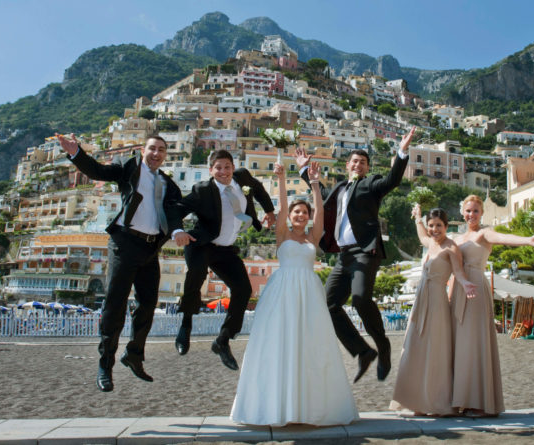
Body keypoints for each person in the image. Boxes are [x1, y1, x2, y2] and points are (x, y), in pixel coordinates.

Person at [231, 161, 358, 426]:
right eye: (296, 212)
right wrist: (280, 178)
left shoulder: (313, 238)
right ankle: (279, 406)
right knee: (280, 342)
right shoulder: (282, 234)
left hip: (309, 293)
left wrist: (313, 182)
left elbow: (321, 212)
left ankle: (307, 407)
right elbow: (281, 206)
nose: (300, 215)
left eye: (304, 212)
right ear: (290, 216)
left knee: (311, 344)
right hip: (282, 293)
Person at [56, 133, 182, 392]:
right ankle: (105, 365)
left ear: (165, 155)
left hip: (150, 248)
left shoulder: (169, 185)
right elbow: (98, 171)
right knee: (115, 303)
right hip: (124, 242)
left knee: (148, 304)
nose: (156, 153)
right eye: (152, 148)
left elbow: (177, 214)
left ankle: (133, 355)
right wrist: (76, 154)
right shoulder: (129, 169)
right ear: (143, 150)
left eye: (161, 150)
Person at [295, 127, 415, 383]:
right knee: (329, 305)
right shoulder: (338, 188)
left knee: (361, 299)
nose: (358, 164)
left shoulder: (372, 185)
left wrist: (401, 152)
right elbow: (321, 194)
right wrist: (305, 171)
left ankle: (383, 347)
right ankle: (363, 351)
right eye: (355, 161)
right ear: (347, 165)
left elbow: (392, 180)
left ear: (366, 167)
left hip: (365, 251)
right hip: (343, 256)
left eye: (363, 162)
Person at [170, 149, 275, 370]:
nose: (224, 171)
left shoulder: (243, 178)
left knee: (243, 290)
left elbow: (258, 189)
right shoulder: (202, 190)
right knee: (196, 276)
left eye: (227, 166)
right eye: (218, 167)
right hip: (201, 244)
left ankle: (223, 340)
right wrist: (178, 230)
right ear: (211, 170)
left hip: (225, 249)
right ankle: (185, 325)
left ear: (233, 167)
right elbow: (177, 209)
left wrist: (270, 210)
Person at [450, 195, 534, 417]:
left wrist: (528, 240)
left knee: (475, 343)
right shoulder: (456, 237)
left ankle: (481, 402)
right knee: (459, 345)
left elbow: (504, 237)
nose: (471, 215)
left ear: (481, 213)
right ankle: (461, 399)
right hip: (456, 290)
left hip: (475, 289)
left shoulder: (485, 233)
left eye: (475, 211)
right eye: (468, 210)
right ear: (461, 212)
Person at [390, 205, 475, 416]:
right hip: (420, 301)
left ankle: (436, 401)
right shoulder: (429, 243)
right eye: (431, 225)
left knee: (435, 350)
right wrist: (418, 218)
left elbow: (459, 272)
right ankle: (418, 402)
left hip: (437, 303)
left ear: (446, 226)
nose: (434, 229)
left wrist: (466, 284)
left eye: (438, 225)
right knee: (414, 349)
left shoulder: (451, 248)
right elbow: (421, 236)